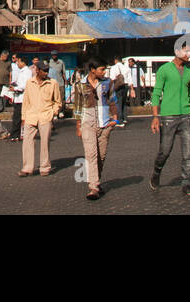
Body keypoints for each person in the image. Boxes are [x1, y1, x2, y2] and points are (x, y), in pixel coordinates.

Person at [150, 44, 190, 195]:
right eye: (186, 51)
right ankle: (157, 172)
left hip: (186, 114)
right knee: (165, 151)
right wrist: (156, 116)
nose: (188, 54)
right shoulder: (164, 69)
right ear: (177, 51)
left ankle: (186, 182)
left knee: (188, 151)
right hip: (168, 115)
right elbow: (156, 93)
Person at [72, 58, 117, 200]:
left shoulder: (108, 83)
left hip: (104, 123)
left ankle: (96, 181)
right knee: (91, 155)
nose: (104, 72)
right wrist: (78, 125)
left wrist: (115, 119)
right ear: (92, 70)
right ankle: (93, 187)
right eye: (101, 69)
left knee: (101, 157)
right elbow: (77, 107)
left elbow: (113, 100)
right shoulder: (80, 85)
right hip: (87, 123)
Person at [19, 61, 62, 176]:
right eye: (44, 71)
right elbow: (26, 101)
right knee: (27, 142)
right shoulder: (29, 82)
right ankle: (27, 168)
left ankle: (45, 167)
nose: (46, 73)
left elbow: (58, 102)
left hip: (45, 116)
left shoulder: (52, 83)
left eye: (47, 71)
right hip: (31, 116)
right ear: (38, 71)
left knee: (44, 143)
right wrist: (24, 117)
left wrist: (53, 112)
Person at [7, 55, 32, 140]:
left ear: (23, 62)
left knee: (18, 117)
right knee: (16, 116)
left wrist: (16, 88)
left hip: (22, 98)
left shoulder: (27, 72)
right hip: (18, 97)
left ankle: (15, 135)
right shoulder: (21, 71)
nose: (17, 63)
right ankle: (16, 134)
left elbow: (25, 85)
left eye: (18, 61)